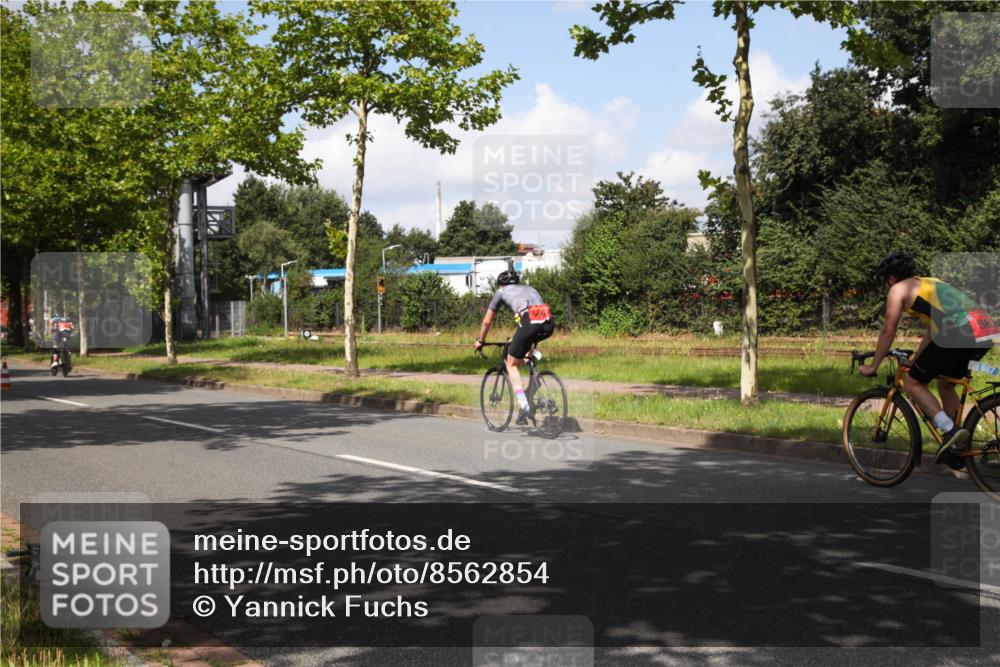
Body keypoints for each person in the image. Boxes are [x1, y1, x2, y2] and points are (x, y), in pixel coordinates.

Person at [860, 251, 998, 467]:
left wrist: (873, 365)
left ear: (891, 278)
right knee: (946, 384)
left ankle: (950, 429)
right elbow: (934, 330)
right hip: (984, 328)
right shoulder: (929, 283)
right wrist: (916, 359)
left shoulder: (898, 289)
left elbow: (888, 329)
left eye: (885, 280)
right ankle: (956, 446)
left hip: (959, 331)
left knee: (912, 383)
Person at [474, 269, 555, 425]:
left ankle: (524, 405)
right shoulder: (530, 288)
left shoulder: (500, 292)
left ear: (501, 284)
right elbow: (532, 315)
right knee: (527, 358)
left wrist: (481, 341)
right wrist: (517, 337)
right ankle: (531, 393)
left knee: (511, 365)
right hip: (548, 323)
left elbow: (487, 321)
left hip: (529, 322)